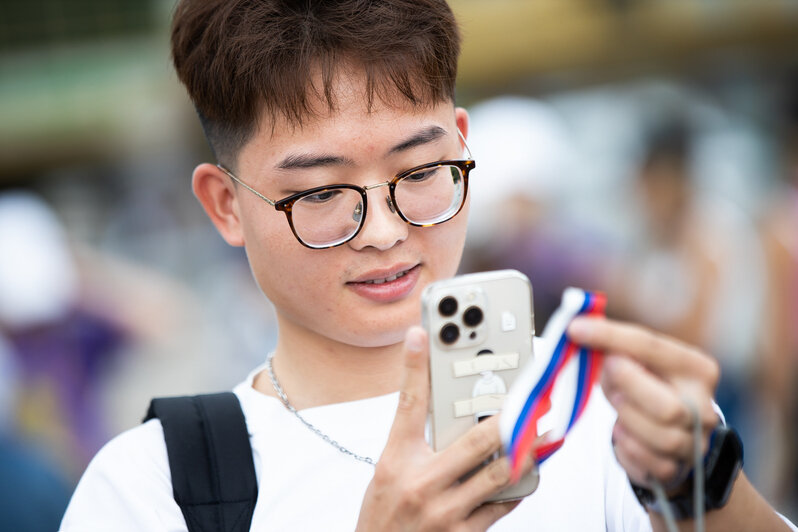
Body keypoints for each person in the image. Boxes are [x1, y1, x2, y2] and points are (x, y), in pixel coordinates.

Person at [60, 1, 796, 530]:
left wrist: (707, 483)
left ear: (463, 151)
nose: (383, 231)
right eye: (321, 191)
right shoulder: (151, 488)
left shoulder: (593, 412)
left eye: (419, 172)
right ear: (225, 205)